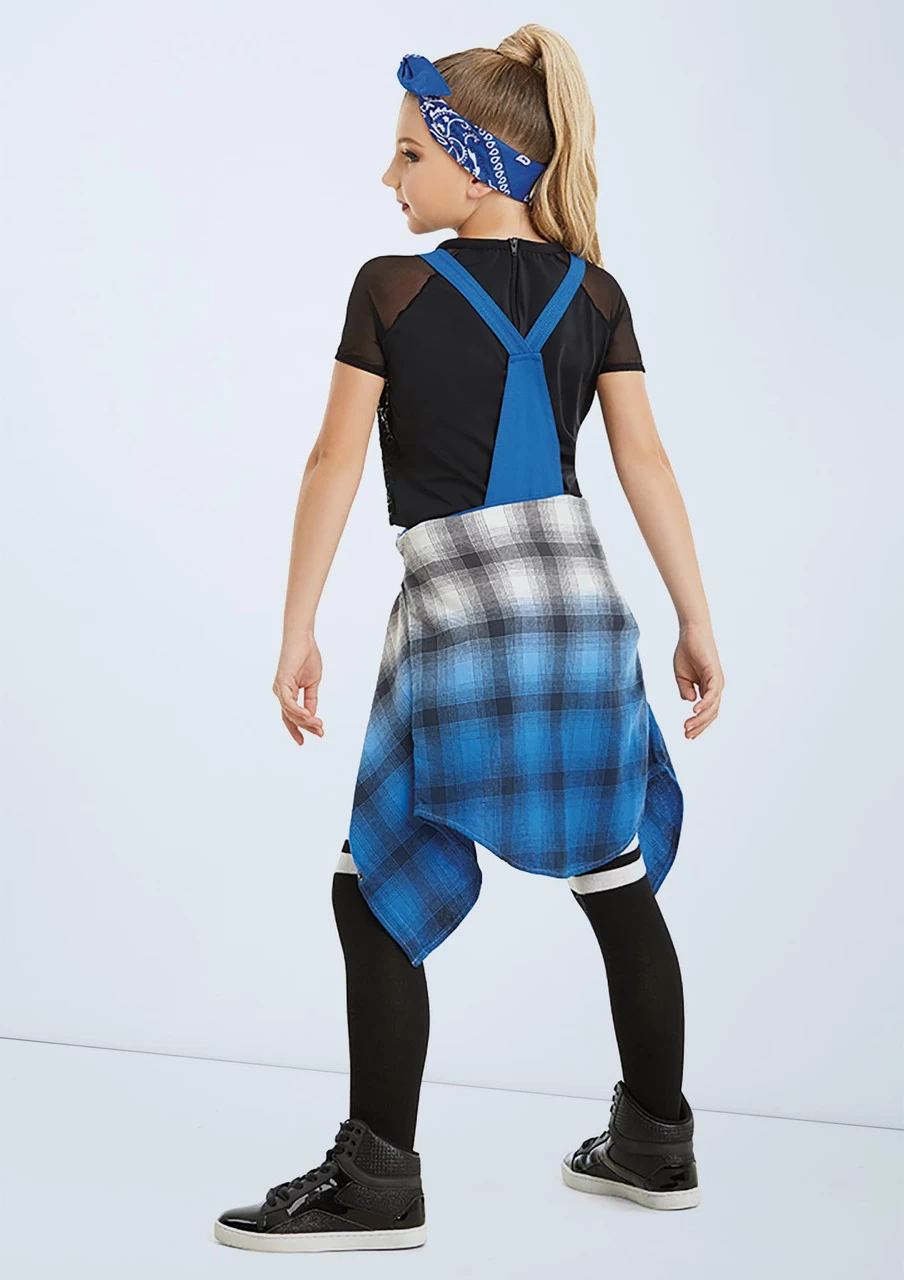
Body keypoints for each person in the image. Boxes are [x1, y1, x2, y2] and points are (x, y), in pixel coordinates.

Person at [214, 25, 724, 1254]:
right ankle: (656, 1141)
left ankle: (377, 1182)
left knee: (373, 887)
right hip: (582, 612)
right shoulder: (595, 292)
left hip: (461, 617)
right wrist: (695, 616)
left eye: (407, 155)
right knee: (614, 876)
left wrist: (296, 625)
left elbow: (333, 459)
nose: (388, 179)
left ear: (479, 160)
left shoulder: (389, 290)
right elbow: (645, 460)